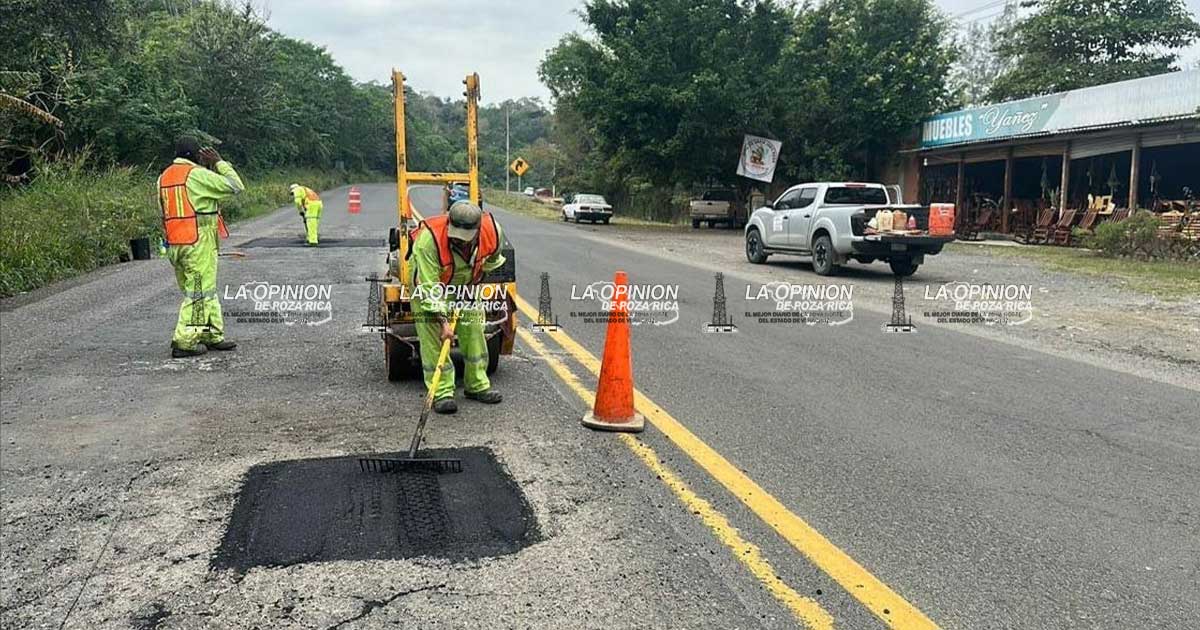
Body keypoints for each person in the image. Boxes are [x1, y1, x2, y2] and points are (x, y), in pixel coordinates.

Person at [409, 201, 505, 414]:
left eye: (465, 238)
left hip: (466, 282)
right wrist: (444, 323)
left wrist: (473, 286)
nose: (459, 241)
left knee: (474, 329)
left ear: (478, 230)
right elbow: (429, 288)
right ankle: (442, 391)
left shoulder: (493, 232)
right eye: (455, 235)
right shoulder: (429, 241)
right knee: (434, 337)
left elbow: (491, 263)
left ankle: (477, 385)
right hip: (430, 284)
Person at [158, 135, 244, 358]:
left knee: (204, 289)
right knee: (199, 292)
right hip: (198, 241)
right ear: (197, 155)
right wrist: (218, 162)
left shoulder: (164, 176)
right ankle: (185, 341)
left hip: (175, 242)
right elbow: (235, 186)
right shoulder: (196, 175)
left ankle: (211, 334)